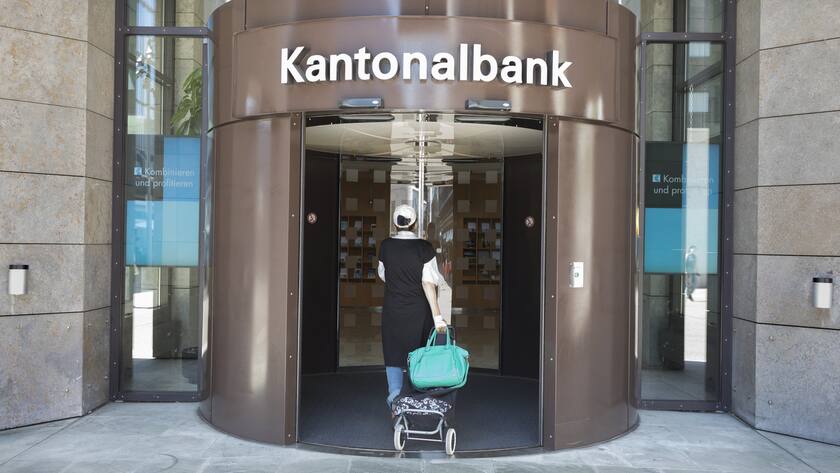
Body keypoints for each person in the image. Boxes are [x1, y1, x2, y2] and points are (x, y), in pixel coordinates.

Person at [377, 205, 448, 409]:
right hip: (418, 311)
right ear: (414, 223)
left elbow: (383, 274)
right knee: (418, 354)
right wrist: (438, 317)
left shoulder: (386, 246)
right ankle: (416, 400)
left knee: (393, 352)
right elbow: (428, 283)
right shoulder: (424, 248)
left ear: (395, 223)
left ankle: (395, 399)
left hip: (392, 309)